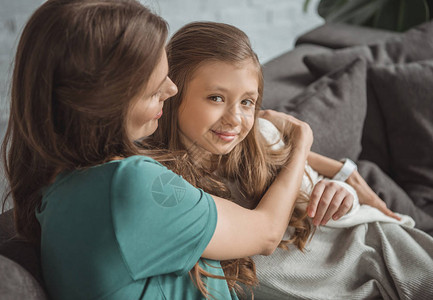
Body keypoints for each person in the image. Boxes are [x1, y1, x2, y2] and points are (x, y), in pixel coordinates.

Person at [0, 1, 320, 299]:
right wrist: (302, 140)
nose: (172, 89)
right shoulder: (129, 186)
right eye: (155, 89)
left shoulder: (55, 186)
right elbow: (265, 234)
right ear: (104, 99)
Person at [149, 21, 433, 299]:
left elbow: (341, 209)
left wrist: (341, 193)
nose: (235, 119)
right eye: (216, 98)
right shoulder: (163, 185)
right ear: (172, 93)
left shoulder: (262, 136)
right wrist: (303, 141)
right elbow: (265, 238)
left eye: (247, 102)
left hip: (383, 253)